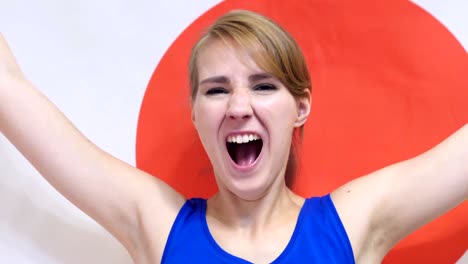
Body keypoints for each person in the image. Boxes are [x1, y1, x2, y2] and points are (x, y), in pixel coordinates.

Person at [0, 9, 466, 264]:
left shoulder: (352, 224)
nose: (239, 107)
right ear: (197, 116)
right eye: (217, 90)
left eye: (263, 86)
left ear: (300, 108)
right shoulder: (158, 224)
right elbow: (9, 92)